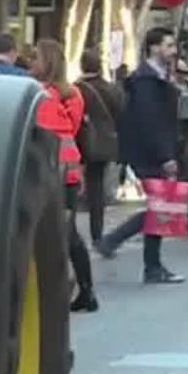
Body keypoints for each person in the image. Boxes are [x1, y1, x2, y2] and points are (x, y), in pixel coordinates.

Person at [95, 27, 185, 284]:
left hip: (152, 150)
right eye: (168, 46)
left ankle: (151, 264)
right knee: (160, 207)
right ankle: (126, 248)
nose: (173, 51)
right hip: (151, 153)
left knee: (161, 207)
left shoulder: (158, 77)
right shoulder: (146, 81)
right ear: (154, 48)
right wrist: (165, 155)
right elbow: (151, 121)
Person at [31, 39, 97, 312]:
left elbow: (44, 130)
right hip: (68, 171)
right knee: (68, 234)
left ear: (47, 62)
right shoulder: (71, 95)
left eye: (35, 57)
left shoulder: (41, 96)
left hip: (53, 170)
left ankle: (73, 289)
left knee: (60, 234)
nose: (30, 62)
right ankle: (85, 288)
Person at [75, 48, 124, 245]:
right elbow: (121, 115)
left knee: (83, 184)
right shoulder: (112, 89)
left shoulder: (77, 89)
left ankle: (73, 230)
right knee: (97, 185)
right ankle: (98, 231)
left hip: (82, 141)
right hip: (105, 143)